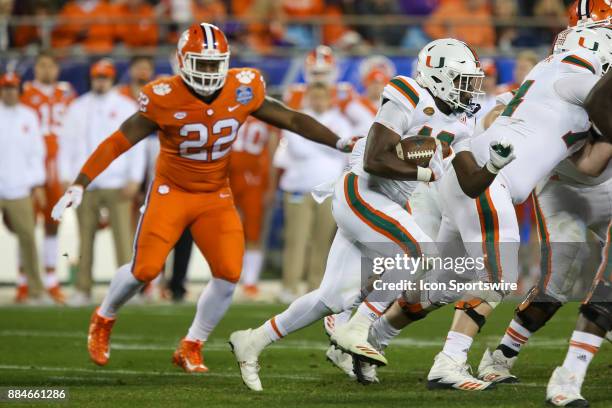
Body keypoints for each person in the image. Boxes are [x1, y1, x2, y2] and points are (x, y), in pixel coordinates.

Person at [51, 23, 355, 374]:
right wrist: (79, 183)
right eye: (202, 63)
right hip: (172, 192)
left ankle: (191, 344)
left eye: (215, 64)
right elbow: (119, 141)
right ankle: (104, 317)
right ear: (182, 61)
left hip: (214, 193)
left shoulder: (243, 87)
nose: (210, 71)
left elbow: (291, 119)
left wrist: (340, 142)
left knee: (228, 273)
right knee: (144, 270)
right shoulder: (163, 95)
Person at [229, 38, 516, 391]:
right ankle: (358, 327)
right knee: (422, 252)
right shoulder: (408, 92)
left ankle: (252, 341)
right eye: (462, 80)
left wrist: (493, 165)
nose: (469, 89)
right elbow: (375, 159)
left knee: (331, 299)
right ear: (438, 75)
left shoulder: (460, 122)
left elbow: (472, 183)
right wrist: (425, 173)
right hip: (362, 191)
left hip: (385, 202)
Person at [336, 25, 612, 391]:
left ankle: (372, 339)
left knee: (444, 285)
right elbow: (601, 109)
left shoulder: (557, 79)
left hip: (473, 180)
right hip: (485, 179)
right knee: (499, 276)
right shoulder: (574, 74)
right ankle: (449, 361)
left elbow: (588, 167)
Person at [59, 59, 146, 306]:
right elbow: (67, 145)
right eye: (97, 76)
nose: (101, 81)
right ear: (91, 78)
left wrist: (134, 178)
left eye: (105, 77)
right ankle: (82, 288)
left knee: (123, 239)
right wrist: (69, 178)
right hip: (87, 184)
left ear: (112, 79)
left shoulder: (125, 105)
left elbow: (136, 146)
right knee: (84, 239)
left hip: (117, 181)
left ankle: (127, 292)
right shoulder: (77, 107)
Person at [275, 81, 352, 302]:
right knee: (295, 240)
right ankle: (289, 287)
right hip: (299, 188)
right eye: (315, 97)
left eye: (322, 97)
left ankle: (315, 287)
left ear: (330, 99)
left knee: (322, 241)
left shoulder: (341, 122)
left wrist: (316, 141)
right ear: (309, 97)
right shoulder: (298, 118)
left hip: (328, 191)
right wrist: (329, 143)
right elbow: (299, 150)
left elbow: (344, 150)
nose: (318, 101)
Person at [20, 51, 76, 304]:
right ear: (35, 68)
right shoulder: (24, 93)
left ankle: (52, 280)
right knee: (26, 224)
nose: (47, 70)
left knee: (54, 222)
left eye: (51, 65)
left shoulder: (67, 93)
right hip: (32, 159)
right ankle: (25, 282)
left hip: (58, 161)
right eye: (42, 65)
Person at [0, 73, 46, 304]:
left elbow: (37, 152)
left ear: (19, 90)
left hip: (19, 186)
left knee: (27, 237)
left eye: (12, 88)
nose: (9, 92)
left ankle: (36, 289)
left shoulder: (29, 116)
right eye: (5, 88)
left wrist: (36, 183)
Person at [229, 116, 279, 299]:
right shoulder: (228, 105)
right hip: (227, 174)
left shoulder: (266, 115)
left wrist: (272, 185)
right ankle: (229, 277)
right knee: (226, 229)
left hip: (255, 177)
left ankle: (250, 281)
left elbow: (273, 152)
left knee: (253, 230)